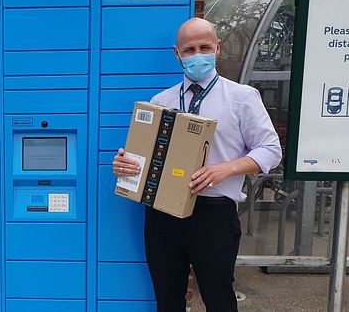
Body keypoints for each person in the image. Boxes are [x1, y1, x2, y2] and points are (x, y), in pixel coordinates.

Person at [112, 18, 281, 312]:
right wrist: (126, 166)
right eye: (189, 49)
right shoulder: (160, 101)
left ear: (218, 48)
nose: (197, 54)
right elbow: (146, 159)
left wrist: (226, 169)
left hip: (213, 215)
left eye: (204, 46)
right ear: (177, 54)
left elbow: (271, 150)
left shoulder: (241, 98)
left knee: (218, 299)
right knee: (167, 299)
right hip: (162, 215)